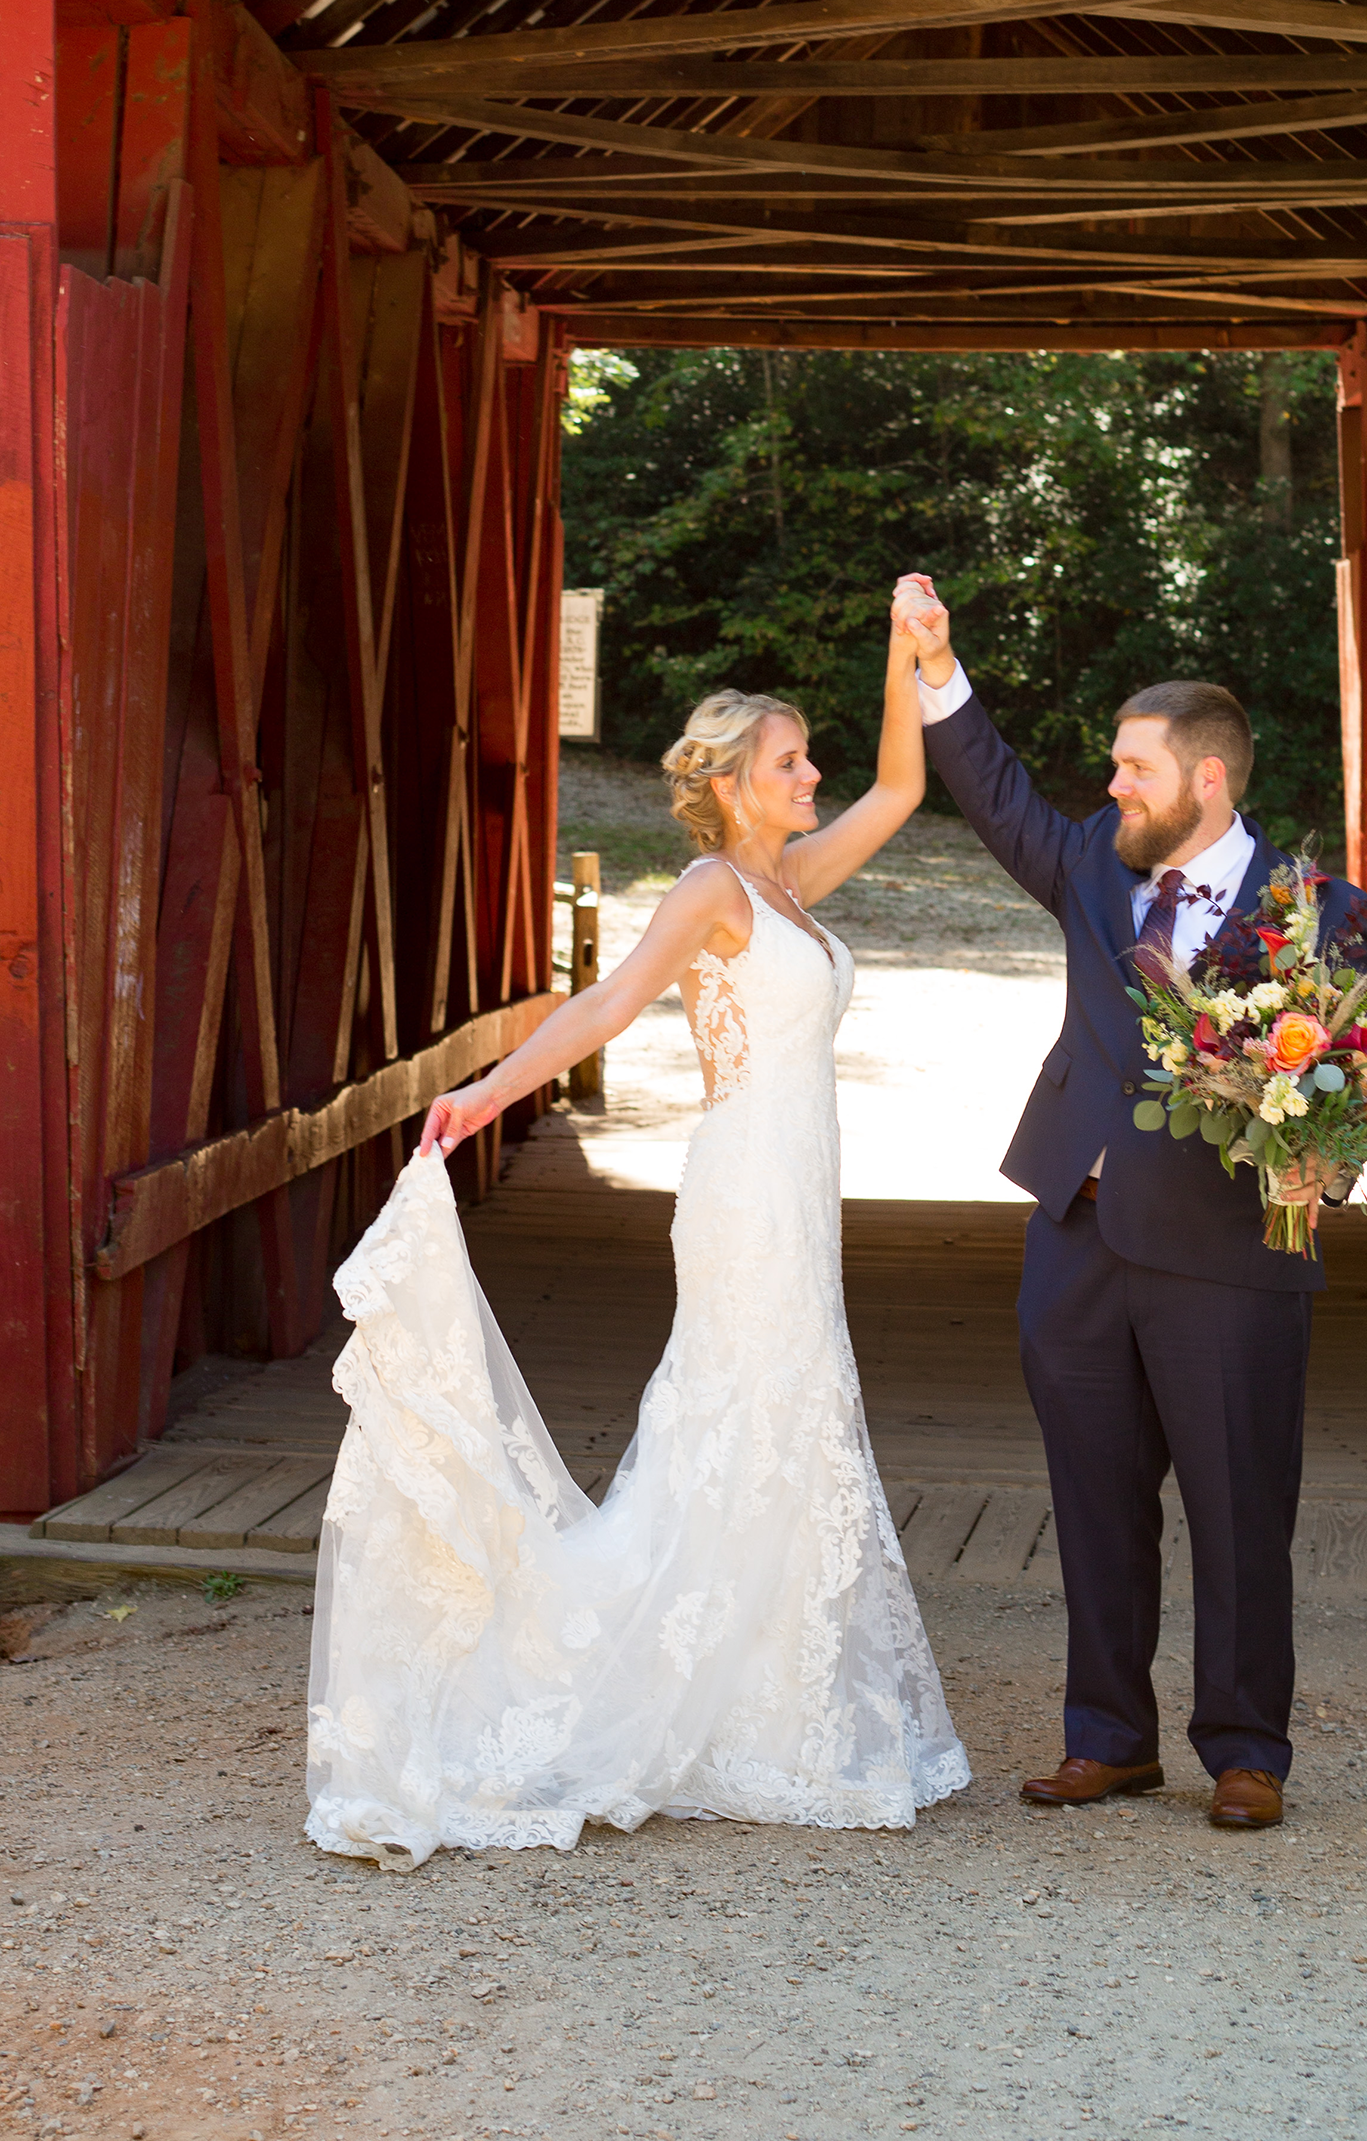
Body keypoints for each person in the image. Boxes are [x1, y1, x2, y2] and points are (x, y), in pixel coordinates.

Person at [304, 611, 969, 1868]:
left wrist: (906, 647)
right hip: (743, 1195)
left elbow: (901, 781)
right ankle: (689, 1698)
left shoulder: (791, 881)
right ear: (727, 787)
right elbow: (611, 999)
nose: (809, 776)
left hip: (798, 1187)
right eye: (787, 764)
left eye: (805, 758)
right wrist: (489, 1092)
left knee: (785, 1419)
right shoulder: (717, 891)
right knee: (753, 1415)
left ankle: (771, 1708)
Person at [891, 572, 1367, 1834]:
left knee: (1237, 1512)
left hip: (1227, 1256)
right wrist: (938, 664)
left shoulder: (1321, 918)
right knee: (1095, 1505)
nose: (1111, 787)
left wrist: (1326, 1154)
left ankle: (1244, 1748)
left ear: (1207, 782)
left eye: (1132, 770)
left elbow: (1363, 1084)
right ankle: (1108, 1739)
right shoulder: (1093, 872)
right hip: (1077, 1239)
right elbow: (993, 789)